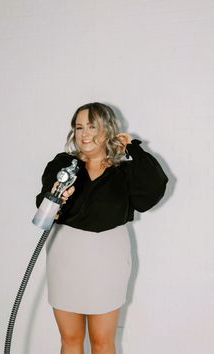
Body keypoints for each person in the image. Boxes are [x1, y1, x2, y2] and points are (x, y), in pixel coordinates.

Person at [36, 102, 168, 354]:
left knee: (102, 341)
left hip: (108, 257)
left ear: (107, 130)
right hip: (66, 256)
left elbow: (151, 192)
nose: (85, 134)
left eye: (93, 126)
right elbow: (42, 206)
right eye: (79, 127)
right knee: (70, 339)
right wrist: (55, 197)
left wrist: (132, 149)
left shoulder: (124, 169)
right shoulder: (64, 165)